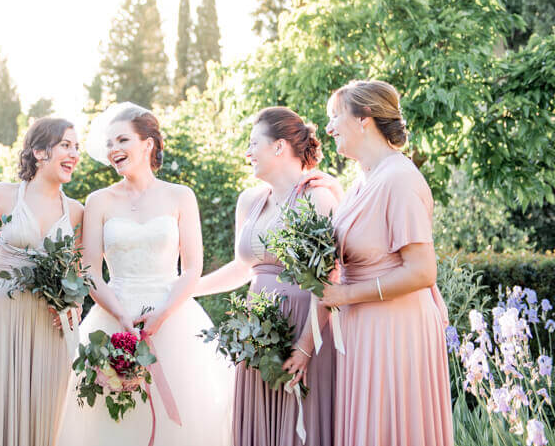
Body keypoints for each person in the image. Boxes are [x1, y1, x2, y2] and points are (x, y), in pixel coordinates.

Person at [57, 103, 233, 446]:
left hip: (173, 319)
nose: (113, 150)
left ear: (147, 144)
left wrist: (164, 312)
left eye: (122, 139)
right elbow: (90, 269)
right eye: (109, 143)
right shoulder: (99, 201)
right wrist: (120, 315)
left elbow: (192, 267)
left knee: (184, 423)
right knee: (113, 419)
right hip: (114, 319)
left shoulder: (181, 196)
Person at [309, 80, 453, 445]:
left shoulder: (400, 178)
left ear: (364, 118)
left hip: (396, 328)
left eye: (335, 116)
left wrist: (347, 294)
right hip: (362, 326)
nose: (328, 128)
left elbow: (422, 271)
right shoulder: (359, 183)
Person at [194, 106, 337, 446]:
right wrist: (190, 290)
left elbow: (327, 278)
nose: (247, 152)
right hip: (256, 333)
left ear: (279, 147)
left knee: (299, 426)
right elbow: (242, 268)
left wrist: (304, 346)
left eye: (253, 142)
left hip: (305, 329)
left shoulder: (318, 198)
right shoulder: (250, 200)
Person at [0, 117, 84, 446]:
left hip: (50, 324)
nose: (74, 154)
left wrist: (74, 305)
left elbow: (79, 275)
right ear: (39, 152)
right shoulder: (1, 196)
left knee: (47, 413)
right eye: (66, 145)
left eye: (77, 147)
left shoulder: (76, 212)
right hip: (1, 319)